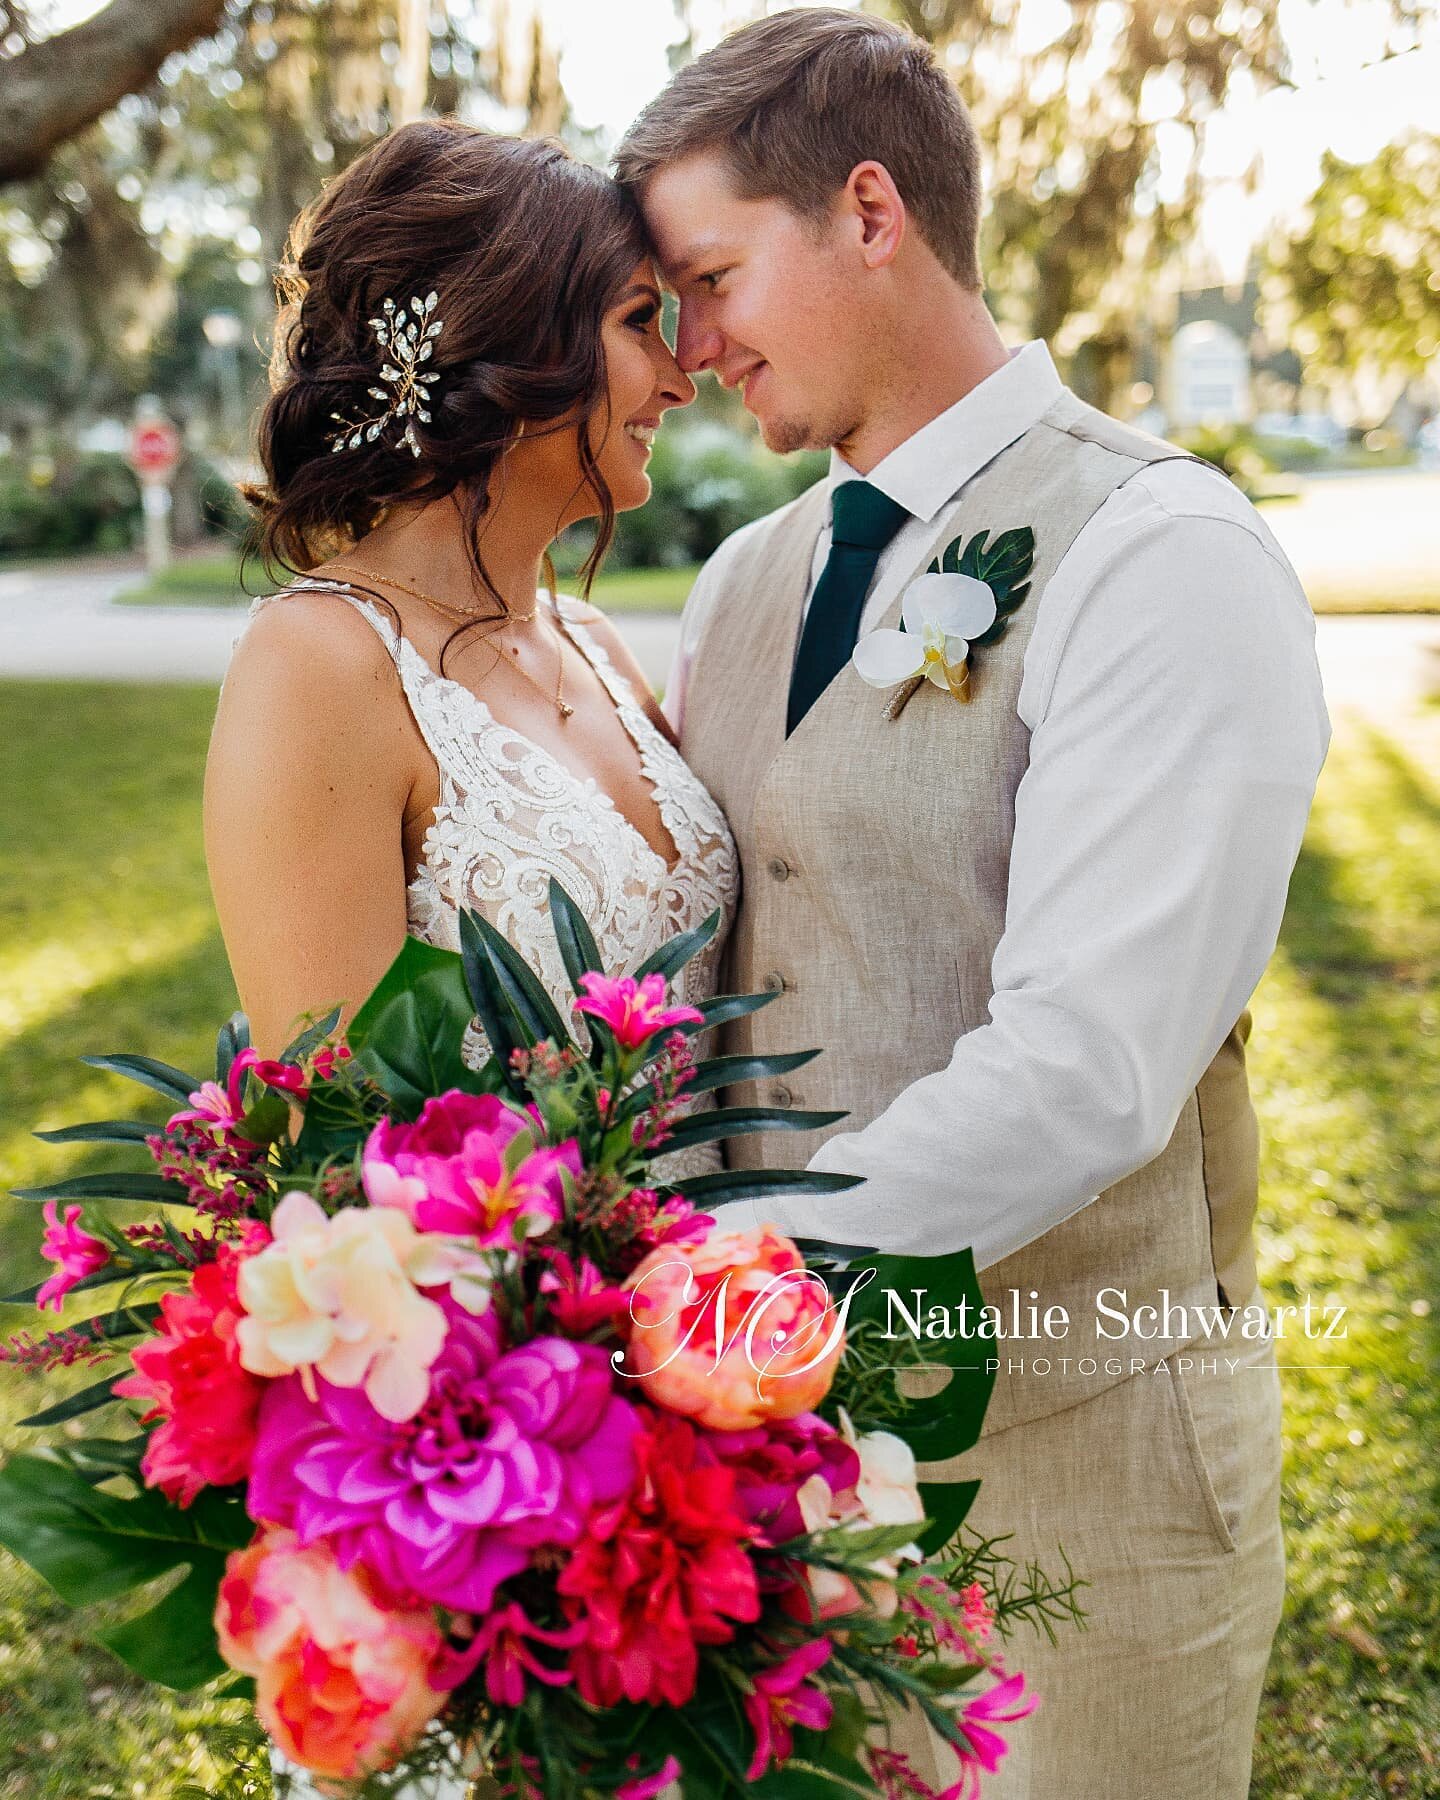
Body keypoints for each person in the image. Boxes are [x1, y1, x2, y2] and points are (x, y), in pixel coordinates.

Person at [615, 11, 1331, 1797]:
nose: (690, 352)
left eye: (709, 278)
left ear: (872, 212)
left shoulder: (1163, 558)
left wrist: (730, 1299)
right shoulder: (739, 581)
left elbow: (1093, 1063)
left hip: (1084, 1487)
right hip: (771, 1505)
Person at [207, 119, 736, 1164]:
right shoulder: (321, 667)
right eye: (641, 323)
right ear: (514, 341)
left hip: (732, 1295)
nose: (681, 378)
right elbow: (352, 1145)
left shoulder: (590, 641)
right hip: (534, 1309)